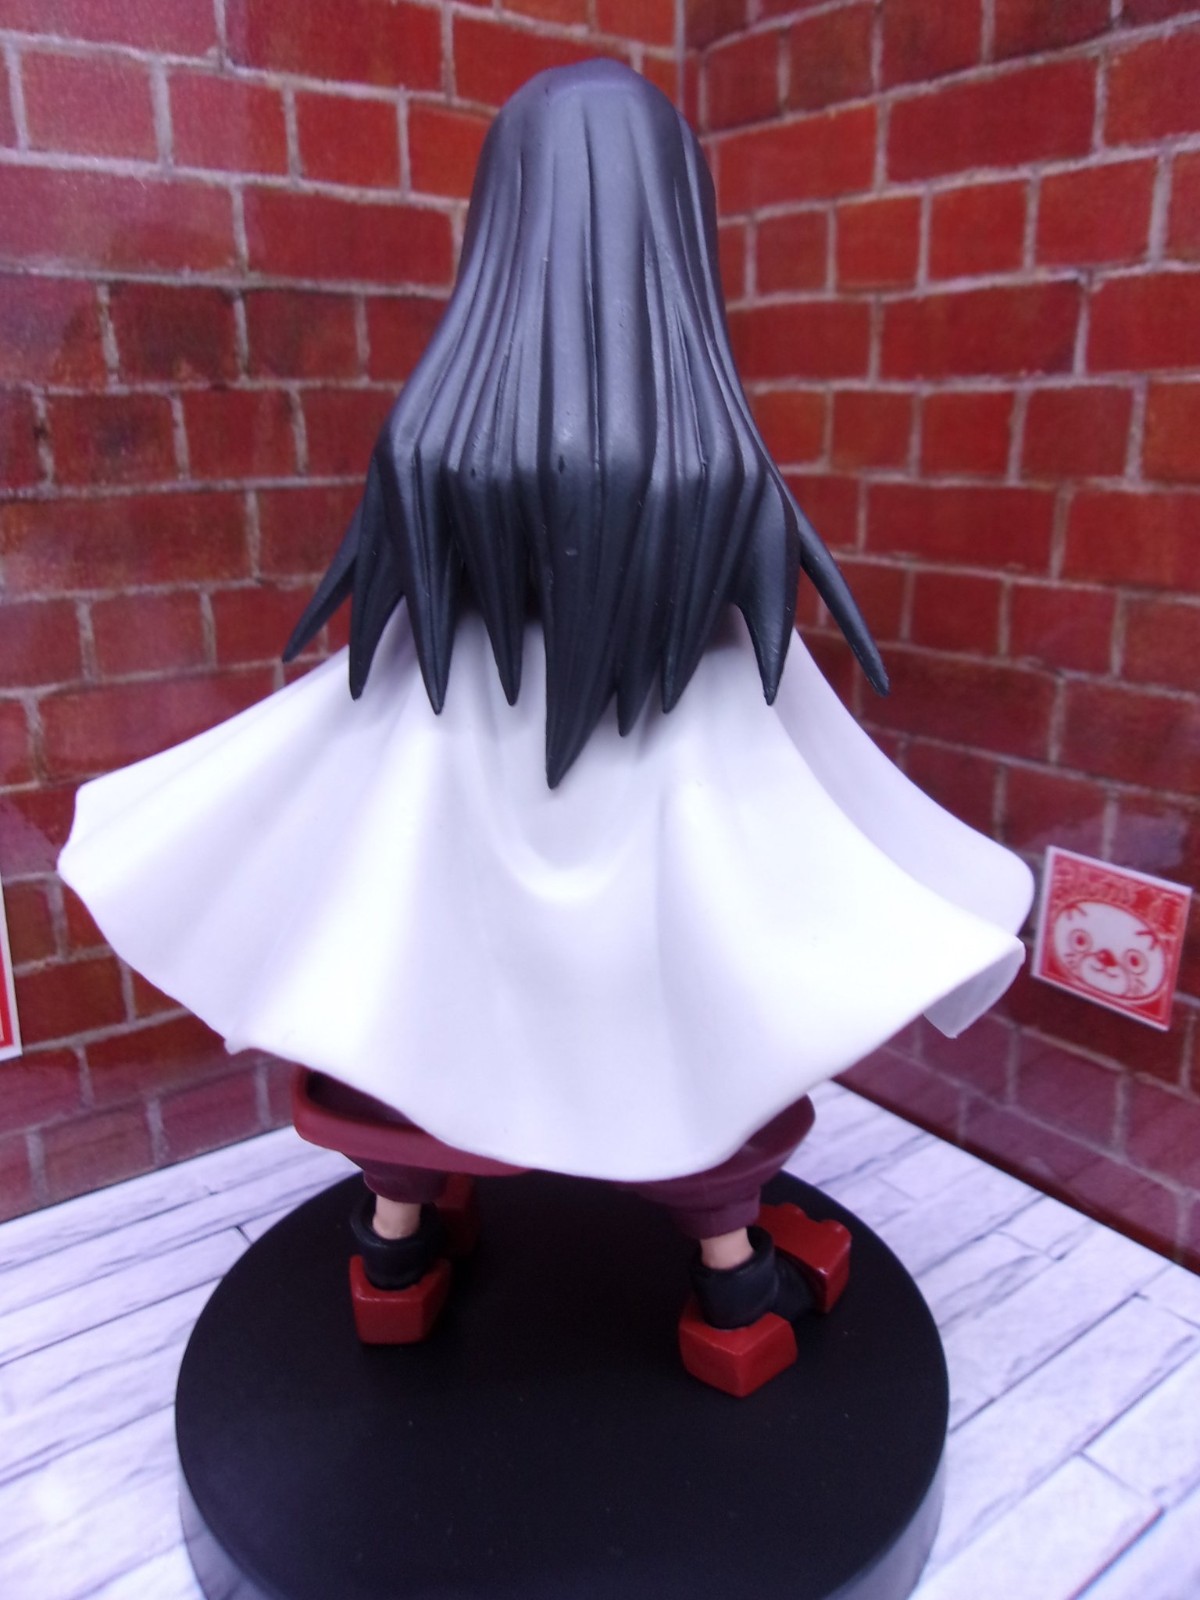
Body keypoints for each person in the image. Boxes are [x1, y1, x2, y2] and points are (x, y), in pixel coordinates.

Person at [59, 62, 1032, 1375]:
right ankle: (730, 1280)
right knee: (702, 1056)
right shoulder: (711, 493)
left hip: (447, 983)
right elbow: (793, 761)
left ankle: (396, 1239)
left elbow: (364, 731)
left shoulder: (435, 464)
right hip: (644, 995)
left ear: (497, 233)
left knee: (409, 1018)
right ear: (679, 242)